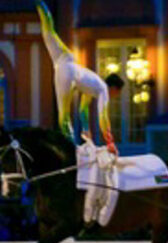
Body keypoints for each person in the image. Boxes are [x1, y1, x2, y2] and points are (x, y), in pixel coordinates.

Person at [35, 0, 117, 155]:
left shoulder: (92, 85)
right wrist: (110, 142)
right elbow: (103, 117)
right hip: (68, 71)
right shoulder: (103, 89)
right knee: (64, 116)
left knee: (48, 31)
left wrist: (86, 132)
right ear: (114, 88)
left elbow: (83, 111)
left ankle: (39, 3)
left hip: (65, 60)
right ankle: (72, 149)